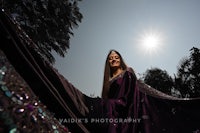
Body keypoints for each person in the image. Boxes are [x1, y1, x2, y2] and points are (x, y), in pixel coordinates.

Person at [1, 10, 200, 133]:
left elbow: (131, 101)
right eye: (110, 59)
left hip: (112, 116)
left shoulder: (129, 74)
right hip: (101, 110)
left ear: (121, 61)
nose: (113, 61)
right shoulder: (112, 80)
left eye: (116, 58)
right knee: (59, 86)